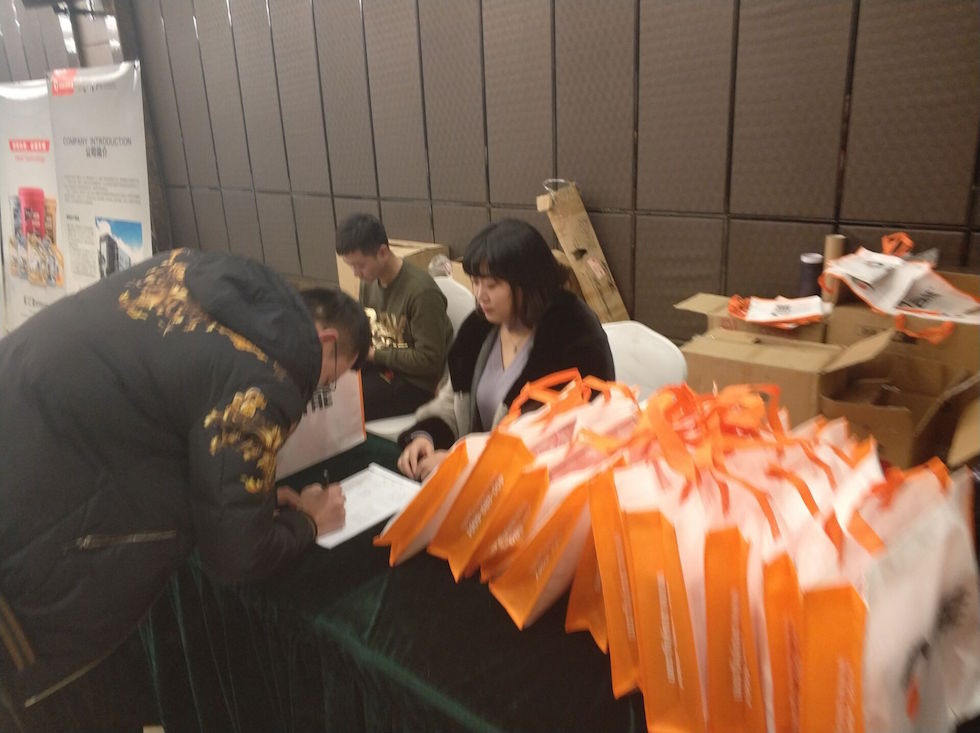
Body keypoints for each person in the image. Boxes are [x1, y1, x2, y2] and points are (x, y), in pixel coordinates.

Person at [0, 248, 370, 730]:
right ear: (325, 341)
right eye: (330, 379)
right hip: (29, 564)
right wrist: (309, 521)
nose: (319, 389)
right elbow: (236, 557)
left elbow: (163, 412)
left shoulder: (191, 270)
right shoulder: (270, 370)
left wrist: (254, 494)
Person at [397, 219, 615, 480]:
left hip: (540, 486)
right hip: (479, 481)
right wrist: (427, 435)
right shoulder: (479, 329)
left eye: (492, 285)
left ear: (527, 283)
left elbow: (553, 441)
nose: (480, 295)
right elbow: (453, 401)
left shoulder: (573, 338)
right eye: (475, 282)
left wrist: (464, 461)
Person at [336, 214, 453, 420]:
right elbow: (366, 330)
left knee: (345, 406)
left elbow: (429, 361)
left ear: (382, 252)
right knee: (331, 385)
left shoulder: (422, 293)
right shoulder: (369, 281)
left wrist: (375, 355)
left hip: (414, 384)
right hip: (381, 367)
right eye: (351, 266)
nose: (356, 273)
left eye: (360, 265)